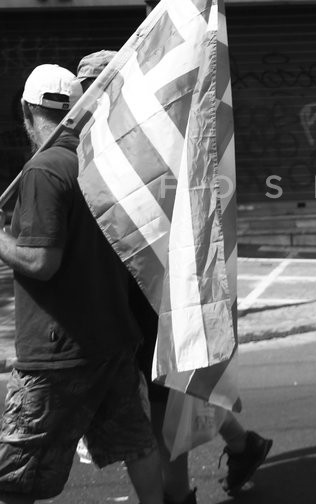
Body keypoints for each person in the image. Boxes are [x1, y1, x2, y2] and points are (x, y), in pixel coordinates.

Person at [73, 50, 273, 503]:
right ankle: (244, 445)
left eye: (99, 90)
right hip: (128, 303)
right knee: (175, 397)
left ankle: (181, 495)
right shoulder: (94, 150)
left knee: (167, 405)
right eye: (87, 92)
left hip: (154, 299)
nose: (91, 103)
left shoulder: (151, 147)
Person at [0, 64, 164, 504]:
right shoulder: (101, 165)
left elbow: (42, 260)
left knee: (12, 473)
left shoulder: (43, 171)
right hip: (111, 341)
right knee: (137, 444)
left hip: (58, 352)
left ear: (26, 110)